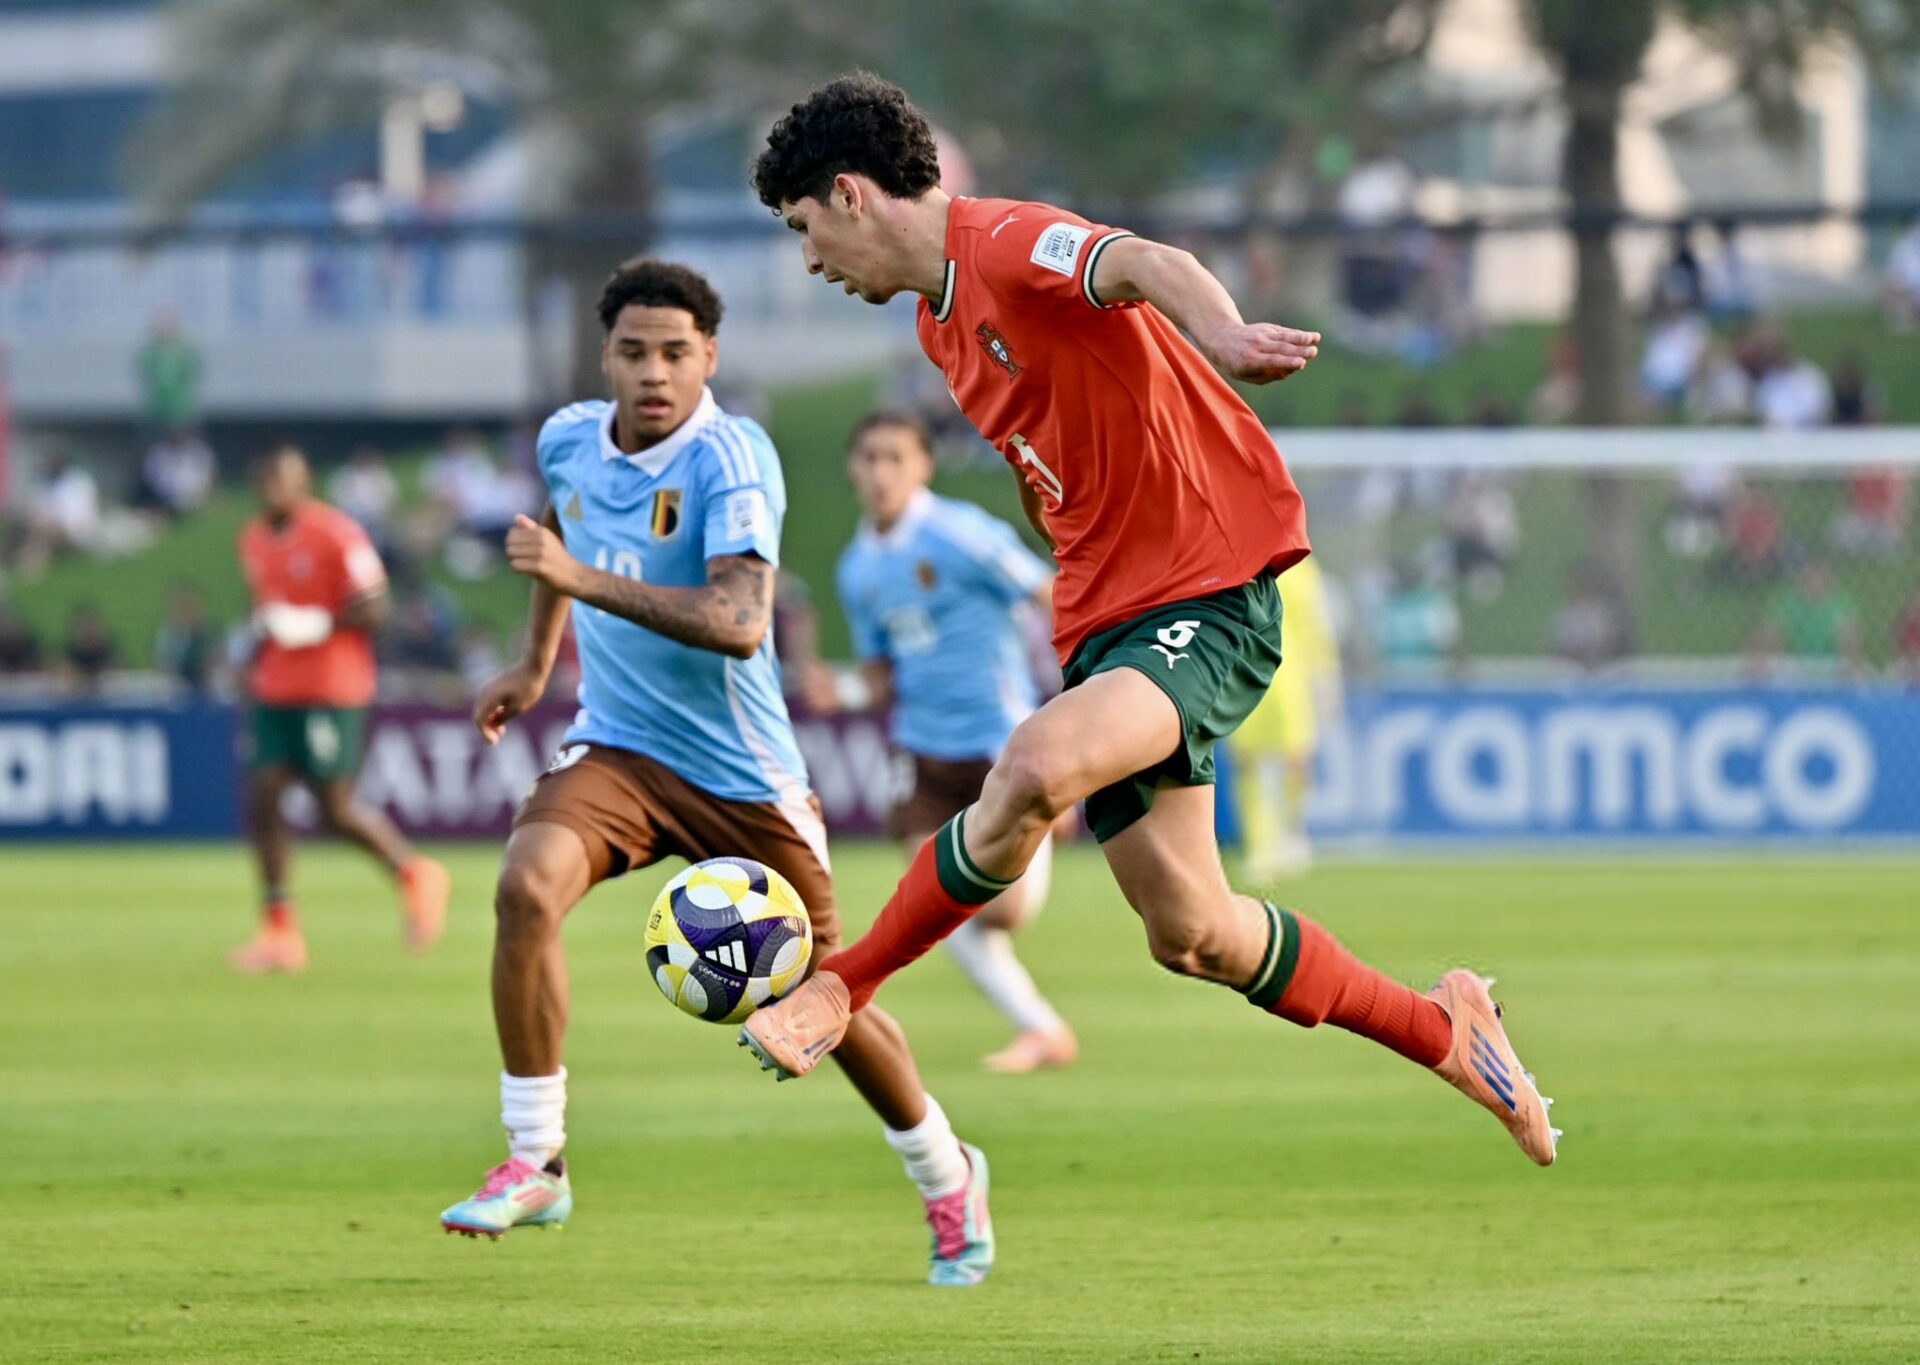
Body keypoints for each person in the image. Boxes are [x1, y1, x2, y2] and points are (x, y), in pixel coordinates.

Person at [737, 75, 1556, 1169]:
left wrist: (1219, 334)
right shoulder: (940, 329)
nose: (810, 263)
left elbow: (1140, 263)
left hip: (1205, 588)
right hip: (1108, 620)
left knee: (1032, 764)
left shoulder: (1005, 241)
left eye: (803, 231)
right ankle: (1444, 1030)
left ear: (849, 195)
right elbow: (1054, 449)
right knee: (1195, 934)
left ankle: (843, 987)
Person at [438, 258, 995, 1288]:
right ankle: (537, 1157)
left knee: (833, 994)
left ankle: (945, 1171)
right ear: (605, 356)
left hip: (743, 775)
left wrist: (577, 581)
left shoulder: (732, 459)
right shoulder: (569, 440)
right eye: (635, 352)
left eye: (677, 354)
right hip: (619, 749)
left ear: (711, 359)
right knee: (524, 890)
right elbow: (563, 531)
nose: (655, 373)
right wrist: (533, 660)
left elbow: (741, 625)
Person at [829, 408, 1074, 1073]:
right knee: (933, 900)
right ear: (853, 468)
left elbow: (1050, 592)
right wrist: (846, 693)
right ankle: (1042, 1029)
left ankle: (1050, 804)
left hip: (1000, 739)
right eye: (869, 458)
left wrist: (1082, 710)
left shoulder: (961, 533)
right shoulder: (856, 568)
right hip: (922, 747)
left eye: (895, 458)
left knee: (1004, 914)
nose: (881, 472)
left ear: (922, 466)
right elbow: (880, 669)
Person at [230, 445, 450, 974]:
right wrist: (256, 645)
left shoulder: (336, 532)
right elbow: (267, 606)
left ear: (304, 483)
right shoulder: (254, 539)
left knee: (333, 806)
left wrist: (319, 624)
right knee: (263, 795)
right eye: (267, 480)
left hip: (332, 687)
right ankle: (279, 929)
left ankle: (414, 872)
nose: (274, 490)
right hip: (275, 687)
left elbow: (376, 605)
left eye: (285, 480)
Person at [1232, 556, 1342, 880]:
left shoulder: (1299, 567)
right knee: (1250, 762)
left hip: (1291, 675)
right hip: (1243, 672)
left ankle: (1290, 832)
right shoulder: (1237, 558)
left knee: (1296, 759)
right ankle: (1260, 846)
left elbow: (1316, 626)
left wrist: (1325, 677)